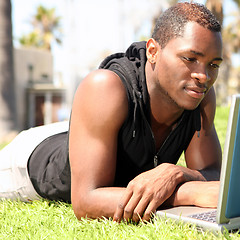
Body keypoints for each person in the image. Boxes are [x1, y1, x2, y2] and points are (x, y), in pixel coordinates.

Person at [0, 2, 223, 223]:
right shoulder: (105, 87)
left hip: (90, 131)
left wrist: (176, 173)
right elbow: (86, 201)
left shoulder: (199, 96)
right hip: (26, 160)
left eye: (213, 64)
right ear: (153, 51)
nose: (203, 75)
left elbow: (215, 174)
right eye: (190, 59)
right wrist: (187, 193)